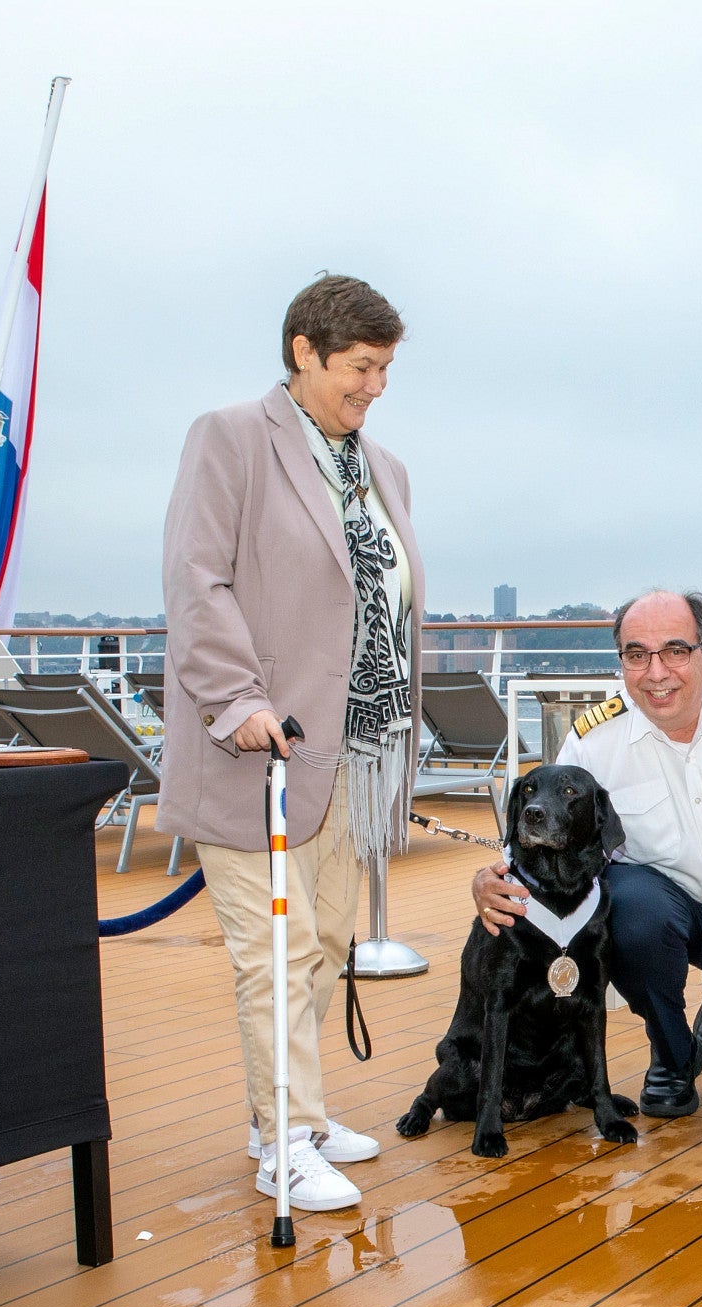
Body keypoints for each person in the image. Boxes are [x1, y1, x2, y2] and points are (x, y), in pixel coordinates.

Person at [161, 275, 425, 1212]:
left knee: (323, 942)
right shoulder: (231, 438)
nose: (376, 387)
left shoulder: (382, 469)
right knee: (272, 950)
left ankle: (293, 1114)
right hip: (256, 747)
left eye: (386, 368)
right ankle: (283, 1140)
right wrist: (235, 699)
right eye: (362, 367)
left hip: (351, 751)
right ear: (305, 351)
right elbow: (199, 581)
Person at [473, 590, 702, 1118]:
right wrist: (487, 880)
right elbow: (538, 837)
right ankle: (670, 1053)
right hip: (657, 912)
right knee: (631, 908)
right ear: (621, 660)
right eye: (636, 654)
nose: (656, 671)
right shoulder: (593, 740)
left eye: (675, 650)